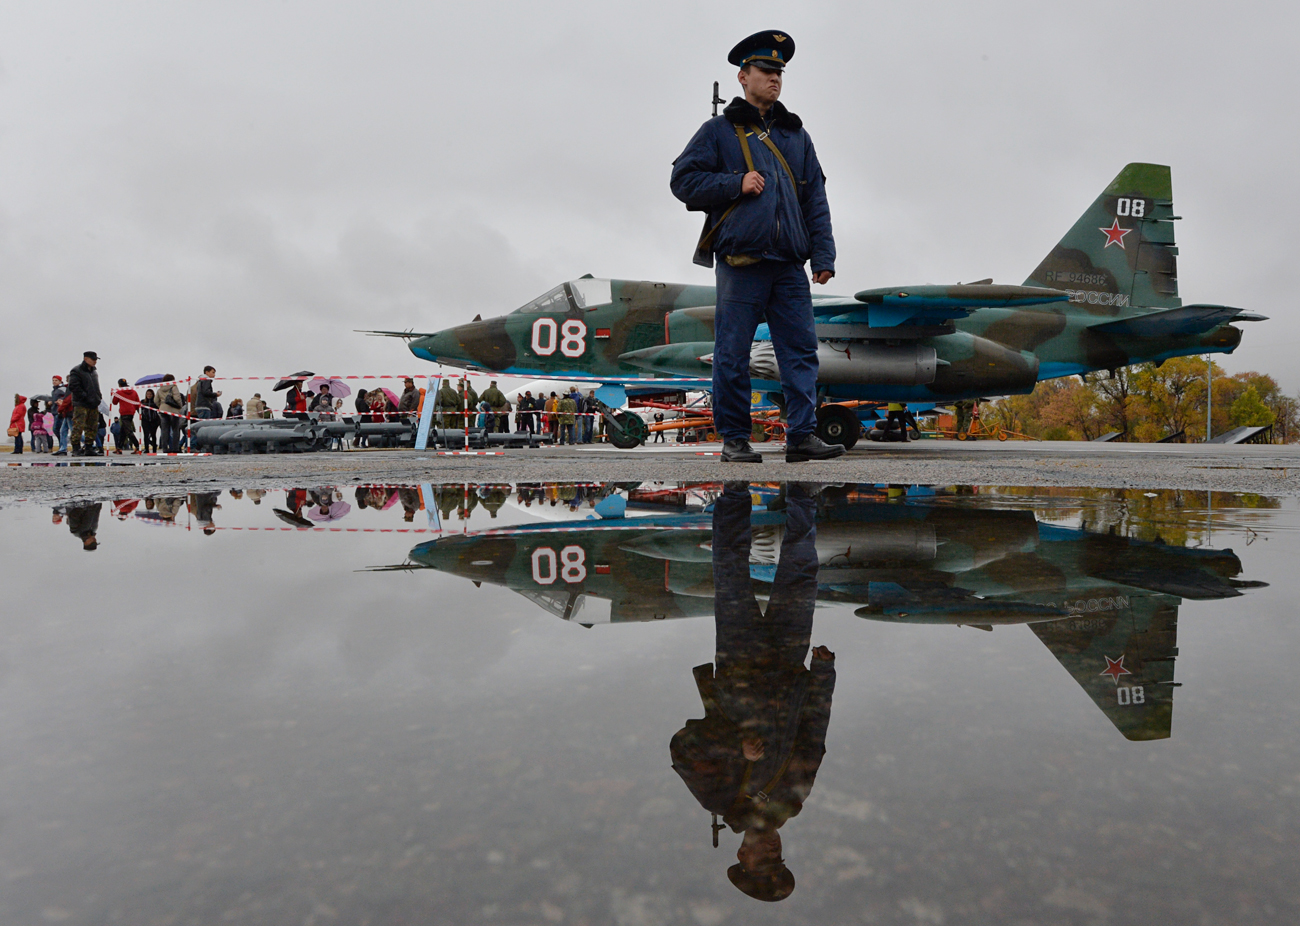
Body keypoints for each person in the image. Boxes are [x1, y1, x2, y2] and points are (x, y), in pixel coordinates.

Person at [671, 31, 844, 465]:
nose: (775, 79)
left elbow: (815, 199)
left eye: (779, 72)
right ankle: (735, 439)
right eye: (766, 71)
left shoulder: (796, 135)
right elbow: (683, 181)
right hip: (741, 263)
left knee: (801, 352)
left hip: (788, 263)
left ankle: (802, 436)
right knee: (733, 352)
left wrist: (823, 255)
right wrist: (735, 183)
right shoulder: (718, 131)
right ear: (743, 77)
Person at [671, 483, 834, 903]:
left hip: (739, 661)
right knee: (801, 573)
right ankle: (801, 497)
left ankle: (734, 494)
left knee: (729, 570)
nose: (775, 854)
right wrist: (823, 672)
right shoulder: (792, 802)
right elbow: (813, 736)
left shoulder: (718, 796)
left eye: (766, 861)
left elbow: (682, 746)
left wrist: (734, 747)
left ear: (743, 854)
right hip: (787, 664)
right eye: (780, 861)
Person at [67, 350, 104, 456]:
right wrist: (85, 397)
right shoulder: (76, 371)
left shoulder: (94, 372)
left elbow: (96, 386)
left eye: (96, 359)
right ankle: (76, 448)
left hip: (93, 403)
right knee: (78, 425)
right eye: (93, 359)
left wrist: (98, 397)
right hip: (81, 404)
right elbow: (74, 387)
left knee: (92, 426)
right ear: (85, 359)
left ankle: (89, 447)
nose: (95, 361)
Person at [155, 374, 185, 453]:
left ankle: (165, 448)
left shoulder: (160, 389)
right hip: (173, 411)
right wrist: (180, 406)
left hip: (163, 411)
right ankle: (175, 448)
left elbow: (155, 400)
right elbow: (177, 398)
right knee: (175, 429)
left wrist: (161, 406)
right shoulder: (174, 387)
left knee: (165, 430)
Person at [111, 379, 141, 453]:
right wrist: (139, 412)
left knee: (128, 431)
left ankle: (137, 446)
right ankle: (119, 447)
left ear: (120, 385)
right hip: (131, 413)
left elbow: (114, 402)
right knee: (123, 431)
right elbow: (137, 403)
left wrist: (115, 394)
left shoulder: (119, 392)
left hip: (124, 413)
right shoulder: (134, 392)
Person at [50, 375, 71, 455]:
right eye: (53, 380)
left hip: (62, 412)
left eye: (56, 380)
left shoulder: (62, 389)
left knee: (64, 430)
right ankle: (62, 447)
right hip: (57, 411)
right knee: (61, 430)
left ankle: (63, 447)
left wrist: (61, 402)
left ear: (60, 381)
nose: (54, 382)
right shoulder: (54, 391)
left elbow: (67, 398)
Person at [140, 388, 160, 453]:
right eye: (148, 394)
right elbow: (139, 409)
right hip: (145, 421)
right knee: (146, 435)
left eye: (150, 394)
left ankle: (154, 448)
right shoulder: (143, 402)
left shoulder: (155, 402)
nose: (149, 395)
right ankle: (146, 448)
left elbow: (159, 409)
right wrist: (143, 414)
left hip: (154, 420)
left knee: (153, 435)